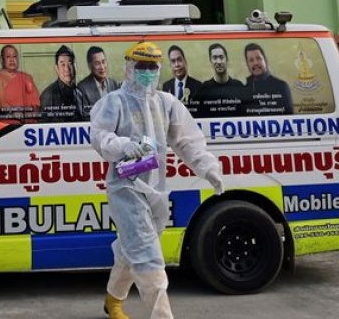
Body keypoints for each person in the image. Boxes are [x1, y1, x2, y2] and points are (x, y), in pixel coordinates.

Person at [89, 42, 224, 319]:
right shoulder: (114, 102)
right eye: (142, 66)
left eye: (153, 67)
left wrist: (208, 168)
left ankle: (112, 301)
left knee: (131, 249)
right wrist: (125, 145)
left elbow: (186, 141)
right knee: (147, 253)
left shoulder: (166, 103)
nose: (148, 72)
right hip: (126, 187)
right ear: (129, 67)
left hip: (156, 190)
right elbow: (99, 137)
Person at [0, 44, 41, 121]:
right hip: (9, 125)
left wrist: (32, 115)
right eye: (8, 57)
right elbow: (2, 104)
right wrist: (17, 114)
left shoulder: (26, 77)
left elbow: (36, 102)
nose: (12, 60)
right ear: (1, 59)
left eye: (14, 56)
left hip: (30, 124)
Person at [40, 45, 89, 122]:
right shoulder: (49, 94)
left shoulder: (79, 93)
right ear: (57, 68)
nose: (67, 69)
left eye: (70, 63)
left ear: (75, 66)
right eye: (62, 65)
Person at [243, 43, 294, 115]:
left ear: (265, 60)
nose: (255, 63)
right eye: (251, 60)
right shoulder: (245, 89)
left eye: (258, 58)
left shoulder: (281, 87)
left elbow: (289, 117)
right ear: (247, 64)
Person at [196, 43, 245, 117]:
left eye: (221, 57)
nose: (218, 62)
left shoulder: (239, 86)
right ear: (210, 61)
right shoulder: (204, 89)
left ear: (227, 59)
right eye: (215, 58)